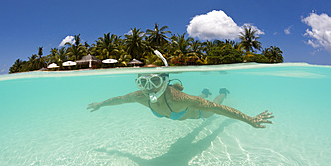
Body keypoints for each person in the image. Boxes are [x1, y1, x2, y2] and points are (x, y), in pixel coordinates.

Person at [87, 73, 274, 128]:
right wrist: (100, 104)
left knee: (209, 113)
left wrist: (250, 120)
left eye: (155, 81)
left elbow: (219, 108)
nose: (149, 87)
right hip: (187, 106)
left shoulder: (179, 98)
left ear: (164, 81)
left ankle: (222, 91)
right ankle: (204, 92)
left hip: (198, 113)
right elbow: (119, 99)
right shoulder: (141, 96)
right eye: (143, 82)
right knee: (196, 99)